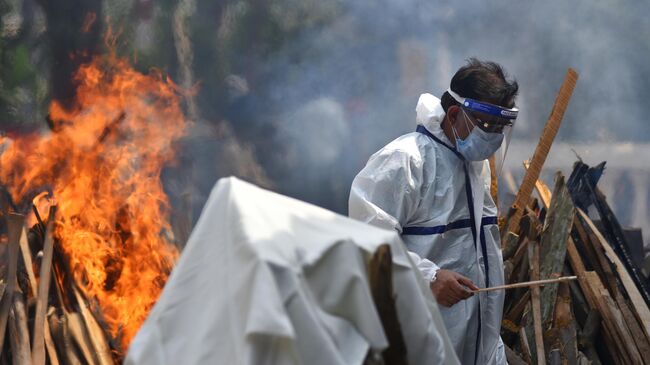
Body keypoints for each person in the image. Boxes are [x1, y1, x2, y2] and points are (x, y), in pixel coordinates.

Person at [349, 58, 519, 364]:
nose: (493, 136)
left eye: (500, 127)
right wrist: (429, 278)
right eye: (486, 125)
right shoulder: (404, 161)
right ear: (454, 114)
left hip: (476, 349)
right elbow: (365, 245)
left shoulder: (477, 168)